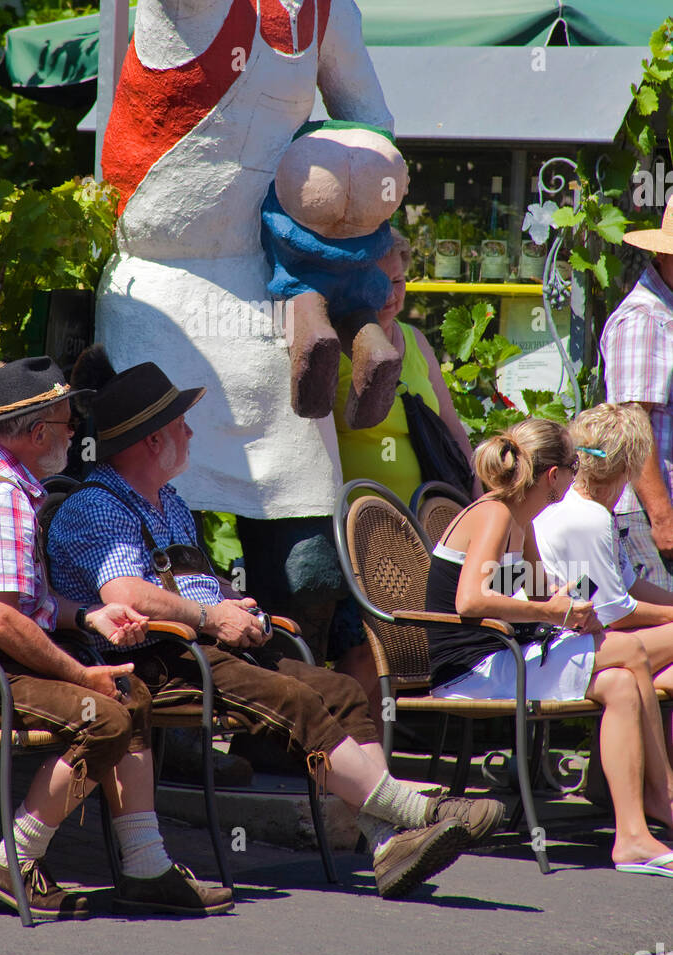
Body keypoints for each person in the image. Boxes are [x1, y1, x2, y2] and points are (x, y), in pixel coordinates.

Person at [96, 0, 399, 658]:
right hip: (163, 295)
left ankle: (295, 707)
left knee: (302, 547)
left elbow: (371, 122)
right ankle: (178, 720)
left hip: (267, 290)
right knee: (164, 526)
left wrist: (358, 205)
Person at [47, 350, 506, 901]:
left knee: (338, 689)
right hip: (155, 659)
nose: (191, 433)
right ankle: (415, 809)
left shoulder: (166, 499)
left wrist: (236, 604)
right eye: (181, 424)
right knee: (292, 699)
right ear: (151, 441)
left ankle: (387, 844)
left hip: (206, 645)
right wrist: (210, 617)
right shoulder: (97, 505)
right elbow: (125, 594)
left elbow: (193, 580)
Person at [0, 357, 233, 919]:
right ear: (37, 432)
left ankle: (145, 867)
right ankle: (11, 864)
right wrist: (79, 673)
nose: (77, 434)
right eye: (68, 423)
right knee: (107, 712)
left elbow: (23, 606)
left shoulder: (2, 480)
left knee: (129, 693)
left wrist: (90, 616)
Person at [426, 418, 673, 874]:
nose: (579, 472)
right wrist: (553, 613)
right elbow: (471, 599)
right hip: (471, 669)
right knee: (631, 653)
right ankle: (664, 796)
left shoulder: (523, 521)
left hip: (505, 656)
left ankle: (633, 835)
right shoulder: (496, 513)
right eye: (574, 463)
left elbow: (543, 590)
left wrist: (576, 603)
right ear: (552, 475)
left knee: (619, 682)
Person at [330, 231, 478, 733]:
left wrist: (477, 498)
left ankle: (375, 755)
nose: (392, 295)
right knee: (367, 646)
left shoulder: (414, 343)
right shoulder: (340, 344)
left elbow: (453, 428)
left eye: (399, 281)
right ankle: (346, 750)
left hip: (420, 524)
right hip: (361, 528)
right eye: (380, 282)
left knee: (399, 648)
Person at [534, 404, 673, 674]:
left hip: (566, 636)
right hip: (554, 644)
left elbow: (629, 585)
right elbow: (616, 612)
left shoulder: (592, 510)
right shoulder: (590, 517)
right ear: (629, 467)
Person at [600, 201, 673, 591]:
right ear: (664, 255)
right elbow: (633, 425)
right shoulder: (647, 319)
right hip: (649, 518)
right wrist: (663, 519)